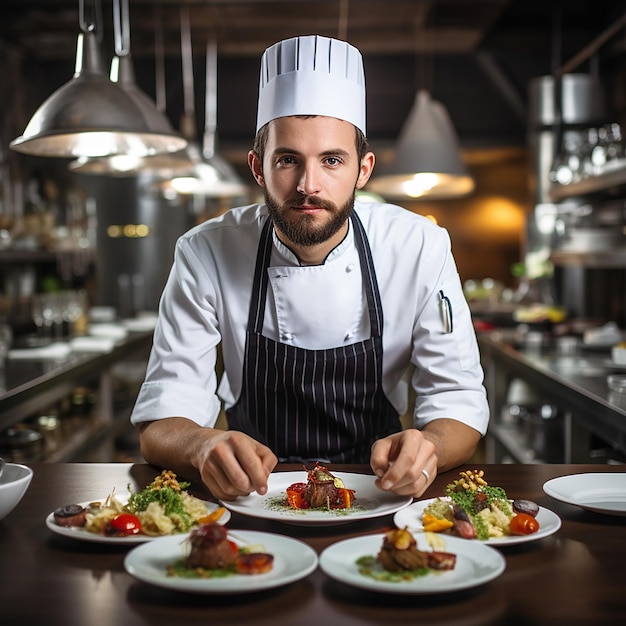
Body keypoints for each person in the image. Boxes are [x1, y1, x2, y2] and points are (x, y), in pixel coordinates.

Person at [130, 34, 489, 501]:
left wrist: (430, 448)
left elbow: (458, 402)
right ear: (258, 168)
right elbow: (161, 421)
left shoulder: (419, 246)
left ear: (363, 169)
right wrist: (202, 444)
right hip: (251, 495)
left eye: (332, 160)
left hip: (378, 493)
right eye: (288, 160)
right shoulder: (205, 252)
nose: (308, 185)